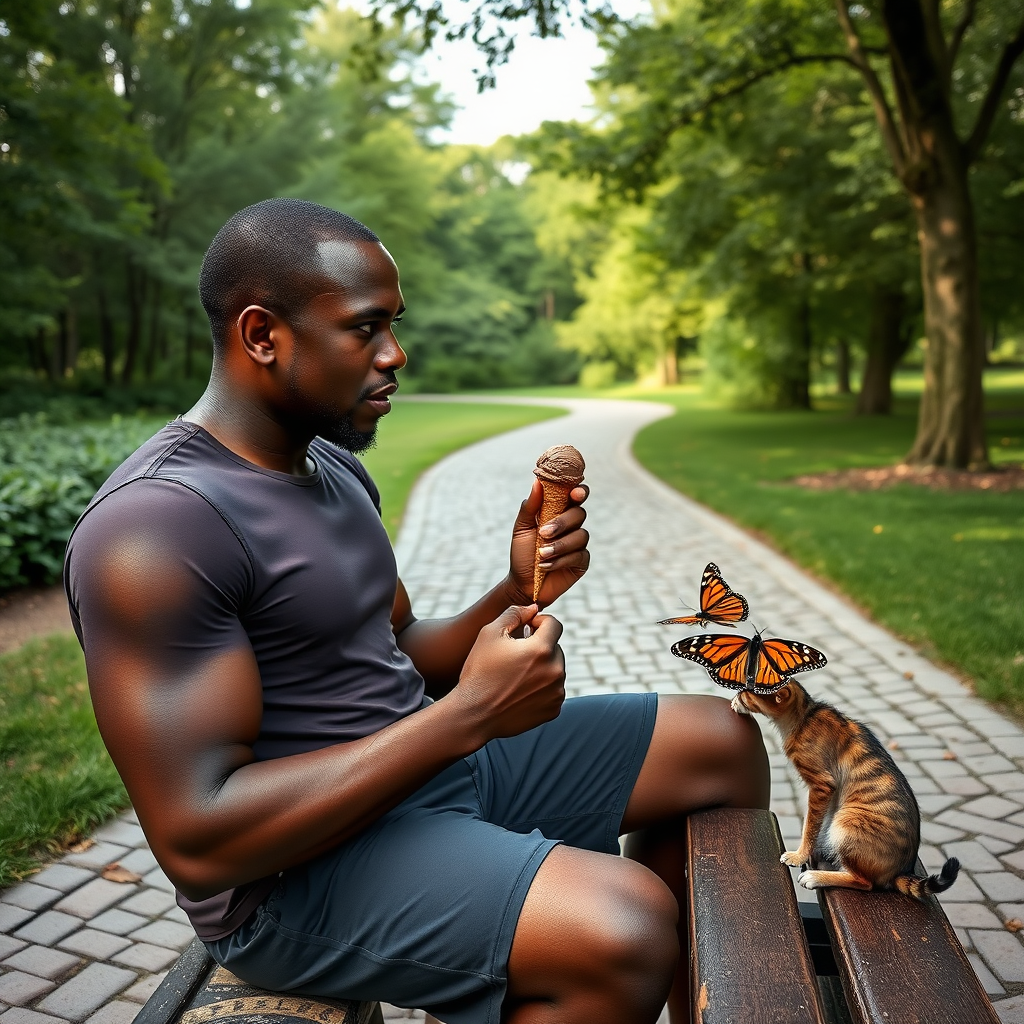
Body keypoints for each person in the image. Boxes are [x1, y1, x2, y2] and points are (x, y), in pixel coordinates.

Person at [64, 199, 769, 1024]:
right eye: (364, 329)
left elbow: (396, 647)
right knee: (623, 923)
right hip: (295, 879)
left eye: (394, 324)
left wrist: (511, 592)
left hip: (427, 772)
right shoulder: (156, 529)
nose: (396, 355)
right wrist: (471, 714)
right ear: (263, 336)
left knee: (718, 744)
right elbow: (200, 836)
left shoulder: (326, 463)